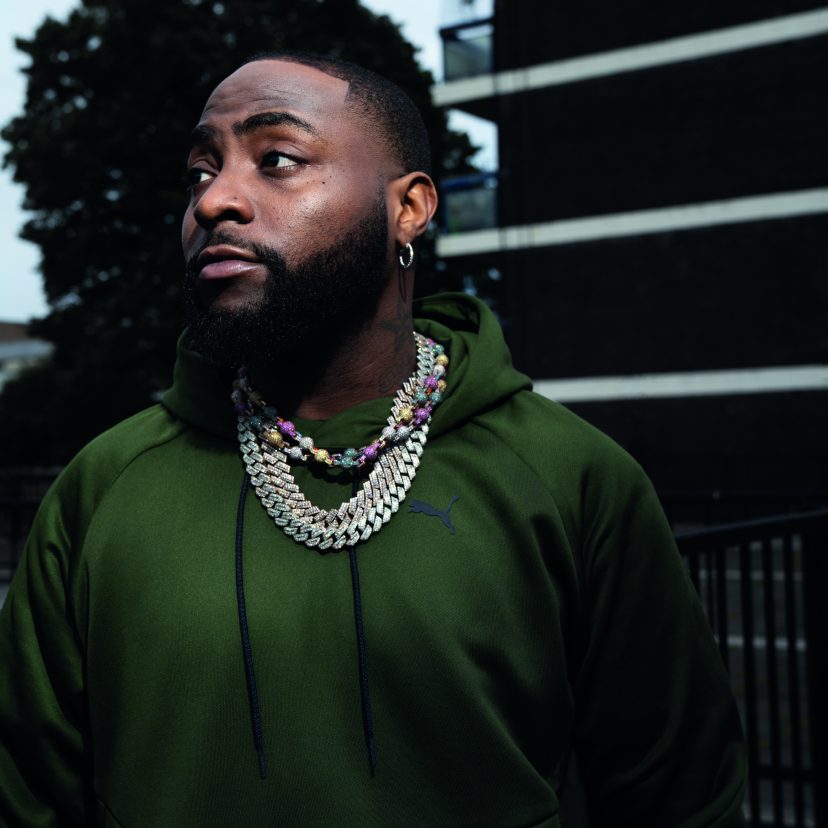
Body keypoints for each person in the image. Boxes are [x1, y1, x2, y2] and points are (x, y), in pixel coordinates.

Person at [0, 53, 746, 826]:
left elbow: (681, 796)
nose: (214, 200)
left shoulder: (569, 475)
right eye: (198, 173)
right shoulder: (103, 488)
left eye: (277, 159)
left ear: (410, 208)